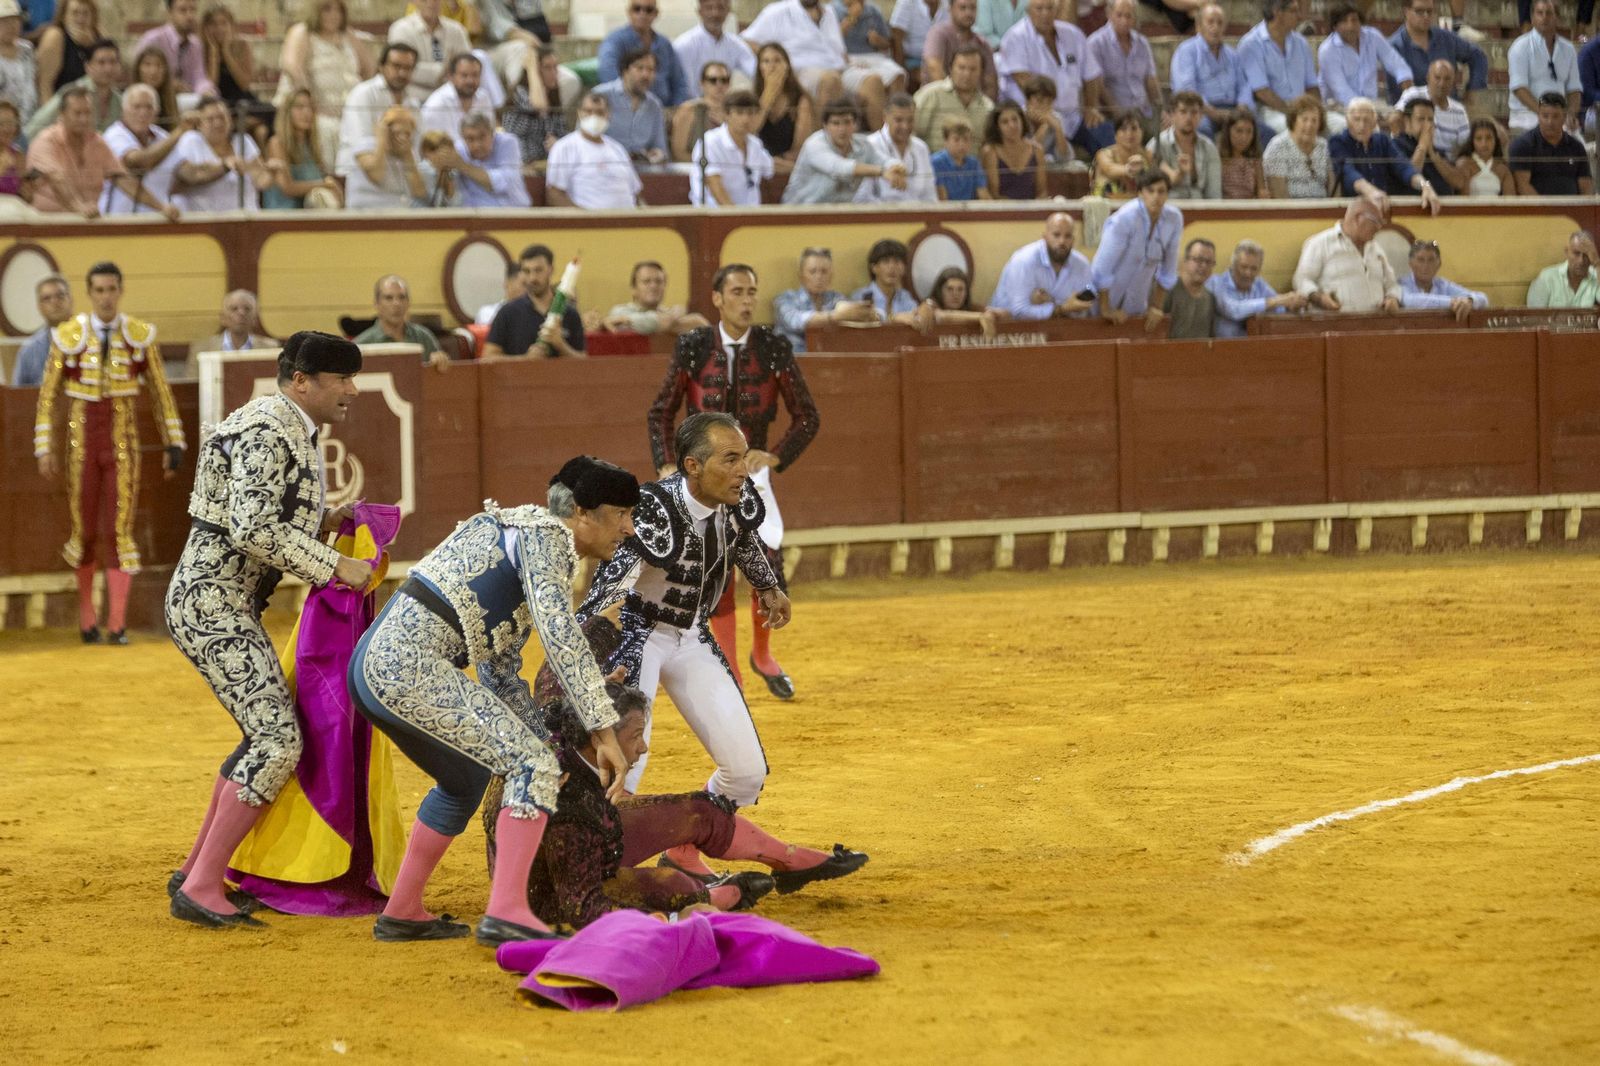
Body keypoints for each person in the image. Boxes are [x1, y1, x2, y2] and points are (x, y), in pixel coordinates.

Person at [347, 460, 637, 944]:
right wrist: (601, 730)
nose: (629, 528)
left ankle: (402, 911)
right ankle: (507, 912)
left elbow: (499, 670)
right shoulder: (546, 537)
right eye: (622, 514)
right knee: (532, 766)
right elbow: (560, 636)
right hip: (406, 665)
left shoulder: (520, 535)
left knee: (468, 779)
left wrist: (545, 739)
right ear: (583, 512)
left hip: (376, 667)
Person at [164, 331, 369, 929]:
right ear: (302, 380)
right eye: (342, 379)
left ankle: (196, 869)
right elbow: (251, 531)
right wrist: (335, 565)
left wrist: (325, 521)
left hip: (224, 603)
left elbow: (262, 516)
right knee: (277, 741)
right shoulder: (267, 430)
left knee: (265, 732)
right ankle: (202, 886)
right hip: (212, 605)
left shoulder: (282, 424)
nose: (352, 391)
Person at [579, 411, 805, 846]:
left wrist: (767, 585)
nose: (743, 470)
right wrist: (591, 649)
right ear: (693, 466)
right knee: (625, 764)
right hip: (636, 636)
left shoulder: (738, 500)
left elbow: (741, 540)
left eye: (743, 458)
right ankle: (598, 858)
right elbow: (607, 590)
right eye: (729, 459)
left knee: (745, 773)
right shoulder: (652, 510)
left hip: (692, 636)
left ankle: (685, 847)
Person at [508, 650, 855, 928]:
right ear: (602, 736)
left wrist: (599, 691)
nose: (643, 748)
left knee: (699, 812)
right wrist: (667, 921)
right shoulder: (567, 797)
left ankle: (782, 859)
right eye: (634, 737)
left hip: (593, 842)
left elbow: (553, 685)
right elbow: (577, 905)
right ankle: (712, 895)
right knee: (676, 887)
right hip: (555, 889)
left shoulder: (560, 726)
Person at [640, 271, 819, 707]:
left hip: (750, 477)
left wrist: (774, 455)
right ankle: (733, 673)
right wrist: (666, 462)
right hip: (702, 480)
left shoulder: (773, 346)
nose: (746, 300)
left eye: (752, 291)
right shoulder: (694, 345)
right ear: (718, 298)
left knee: (768, 562)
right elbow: (661, 411)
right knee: (716, 572)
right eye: (737, 292)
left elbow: (807, 416)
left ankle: (762, 654)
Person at [35, 262, 186, 645]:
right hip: (80, 445)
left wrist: (175, 441)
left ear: (120, 291)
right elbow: (48, 396)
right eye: (99, 290)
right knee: (84, 530)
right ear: (90, 293)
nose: (106, 297)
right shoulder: (68, 336)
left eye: (111, 289)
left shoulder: (138, 336)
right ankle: (88, 619)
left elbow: (160, 392)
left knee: (120, 531)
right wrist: (43, 447)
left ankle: (116, 624)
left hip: (122, 444)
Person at [742, 0, 901, 130]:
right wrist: (779, 60)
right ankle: (821, 145)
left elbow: (838, 49)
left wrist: (851, 63)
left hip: (839, 67)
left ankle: (882, 146)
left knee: (873, 81)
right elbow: (746, 41)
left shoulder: (829, 12)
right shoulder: (778, 11)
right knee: (830, 80)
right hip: (802, 71)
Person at [26, 87, 179, 217]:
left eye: (87, 113)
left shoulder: (96, 141)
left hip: (87, 222)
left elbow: (122, 179)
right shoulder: (45, 141)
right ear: (62, 115)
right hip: (47, 224)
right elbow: (57, 178)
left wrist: (161, 208)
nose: (84, 119)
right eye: (78, 113)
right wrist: (79, 207)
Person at [276, 0, 374, 169]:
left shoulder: (348, 35)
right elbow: (292, 67)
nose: (334, 15)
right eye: (327, 9)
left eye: (339, 10)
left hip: (346, 111)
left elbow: (370, 68)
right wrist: (312, 104)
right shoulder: (302, 32)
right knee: (325, 127)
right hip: (315, 110)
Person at [997, 0, 1099, 152]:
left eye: (1050, 8)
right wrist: (1051, 117)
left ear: (1057, 9)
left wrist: (1091, 107)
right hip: (1036, 117)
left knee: (1103, 132)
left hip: (1074, 117)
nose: (1045, 13)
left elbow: (1092, 75)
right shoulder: (1015, 37)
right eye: (1039, 8)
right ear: (1029, 11)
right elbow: (1027, 84)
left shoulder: (1073, 34)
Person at [1091, 168, 1182, 326]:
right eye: (1150, 191)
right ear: (1140, 193)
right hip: (1103, 301)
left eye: (1161, 191)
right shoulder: (1124, 218)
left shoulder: (1174, 219)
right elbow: (1102, 267)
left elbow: (1168, 269)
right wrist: (1105, 309)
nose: (1156, 197)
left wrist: (1157, 307)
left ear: (1168, 194)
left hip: (1137, 304)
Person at [781, 98, 905, 203]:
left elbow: (885, 161)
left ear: (855, 124)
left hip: (839, 215)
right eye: (836, 123)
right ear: (825, 126)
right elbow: (839, 167)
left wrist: (897, 168)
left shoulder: (862, 145)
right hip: (799, 213)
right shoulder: (814, 144)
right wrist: (883, 172)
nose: (842, 129)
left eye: (847, 122)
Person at [1291, 197, 1401, 314]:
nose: (1379, 228)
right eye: (1376, 222)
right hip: (1334, 323)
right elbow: (1301, 280)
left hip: (1375, 323)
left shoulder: (1376, 248)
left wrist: (1392, 298)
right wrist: (1319, 298)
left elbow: (1392, 284)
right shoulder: (1321, 243)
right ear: (1358, 218)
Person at [101, 83, 192, 217]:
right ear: (124, 110)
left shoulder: (163, 137)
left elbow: (187, 172)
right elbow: (139, 162)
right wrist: (180, 131)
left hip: (159, 220)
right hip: (119, 221)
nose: (143, 112)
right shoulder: (114, 135)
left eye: (149, 107)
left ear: (157, 112)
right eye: (136, 107)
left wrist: (224, 165)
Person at [171, 95, 274, 212]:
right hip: (208, 221)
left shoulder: (243, 140)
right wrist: (224, 166)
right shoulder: (191, 140)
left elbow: (260, 180)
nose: (217, 123)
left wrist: (270, 173)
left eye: (222, 117)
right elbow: (190, 175)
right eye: (210, 119)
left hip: (246, 217)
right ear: (199, 124)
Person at [1238, 0, 1325, 137]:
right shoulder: (1251, 44)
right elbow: (1262, 92)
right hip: (1270, 111)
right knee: (1296, 130)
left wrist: (1315, 111)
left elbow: (1312, 86)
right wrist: (1293, 113)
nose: (1300, 16)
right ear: (1277, 12)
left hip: (1302, 109)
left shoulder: (1301, 43)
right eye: (1294, 11)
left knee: (1334, 127)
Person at [988, 211, 1095, 320]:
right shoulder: (1024, 260)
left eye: (1067, 236)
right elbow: (1019, 311)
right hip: (1008, 330)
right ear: (1045, 237)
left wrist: (1053, 304)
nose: (1062, 241)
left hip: (1060, 328)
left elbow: (1086, 310)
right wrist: (1062, 308)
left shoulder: (1082, 264)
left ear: (1073, 240)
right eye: (1056, 235)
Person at [485, 244, 586, 358]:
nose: (532, 278)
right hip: (521, 376)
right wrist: (525, 359)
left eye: (538, 270)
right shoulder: (508, 312)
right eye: (527, 271)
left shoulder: (570, 313)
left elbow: (583, 362)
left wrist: (561, 345)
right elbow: (488, 357)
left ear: (551, 270)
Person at [334, 42, 417, 180]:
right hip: (356, 175)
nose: (402, 73)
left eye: (408, 68)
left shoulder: (413, 104)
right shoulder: (363, 94)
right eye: (396, 66)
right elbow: (362, 147)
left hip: (396, 179)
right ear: (382, 66)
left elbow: (417, 150)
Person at [545, 93, 643, 209]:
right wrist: (586, 220)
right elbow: (554, 196)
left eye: (600, 112)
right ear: (579, 113)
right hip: (589, 224)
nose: (594, 116)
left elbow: (636, 193)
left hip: (630, 221)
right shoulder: (564, 147)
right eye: (588, 111)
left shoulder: (617, 149)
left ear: (608, 114)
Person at [1083, 0, 1160, 144]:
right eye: (1119, 15)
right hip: (1115, 113)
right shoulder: (1096, 43)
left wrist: (1161, 110)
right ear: (1109, 14)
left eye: (1129, 16)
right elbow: (1098, 85)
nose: (1124, 21)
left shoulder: (1142, 43)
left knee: (1169, 137)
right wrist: (1118, 113)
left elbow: (1151, 80)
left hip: (1144, 110)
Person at [1385, 0, 1486, 109]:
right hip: (1416, 113)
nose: (1426, 16)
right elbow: (1395, 94)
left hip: (1450, 110)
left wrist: (1472, 91)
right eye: (1419, 11)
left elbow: (1478, 56)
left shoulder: (1446, 38)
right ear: (1406, 11)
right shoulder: (1394, 47)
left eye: (1430, 11)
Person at [772, 247, 877, 351]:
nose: (819, 277)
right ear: (801, 275)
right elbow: (797, 322)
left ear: (831, 275)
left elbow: (845, 307)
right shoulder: (785, 299)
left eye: (824, 272)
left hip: (830, 362)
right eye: (812, 272)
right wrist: (836, 316)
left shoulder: (835, 298)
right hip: (794, 362)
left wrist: (864, 312)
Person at [1169, 3, 1250, 137]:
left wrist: (1242, 108)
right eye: (1210, 22)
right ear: (1199, 26)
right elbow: (1187, 90)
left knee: (1265, 132)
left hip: (1233, 110)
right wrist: (1211, 112)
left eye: (1220, 23)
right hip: (1201, 110)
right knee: (1202, 129)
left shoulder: (1232, 55)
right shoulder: (1187, 51)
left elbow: (1244, 85)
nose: (1215, 27)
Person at [1316, 2, 1411, 115]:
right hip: (1337, 108)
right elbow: (1341, 91)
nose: (1350, 26)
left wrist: (1407, 84)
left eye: (1354, 20)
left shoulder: (1373, 37)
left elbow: (1394, 61)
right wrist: (1368, 113)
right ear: (1335, 26)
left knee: (1398, 117)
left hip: (1372, 104)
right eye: (1344, 21)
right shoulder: (1327, 50)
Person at [24, 34, 118, 141]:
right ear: (88, 67)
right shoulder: (72, 92)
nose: (108, 69)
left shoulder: (120, 101)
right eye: (101, 63)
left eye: (113, 62)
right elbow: (35, 128)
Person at [1205, 238, 1307, 337]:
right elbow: (1232, 310)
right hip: (1223, 349)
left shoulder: (1259, 284)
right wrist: (1275, 301)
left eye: (1254, 269)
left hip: (1256, 347)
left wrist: (1291, 305)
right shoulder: (1216, 282)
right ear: (1233, 265)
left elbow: (1278, 307)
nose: (1248, 273)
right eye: (1244, 267)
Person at [598, 0, 690, 108]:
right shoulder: (615, 41)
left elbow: (679, 82)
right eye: (637, 9)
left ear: (656, 13)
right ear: (629, 12)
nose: (642, 14)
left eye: (648, 10)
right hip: (627, 108)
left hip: (664, 110)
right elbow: (608, 75)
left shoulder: (664, 44)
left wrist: (677, 109)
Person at [689, 88, 773, 206]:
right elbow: (715, 186)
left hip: (750, 216)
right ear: (726, 114)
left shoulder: (755, 144)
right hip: (715, 217)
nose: (746, 119)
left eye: (751, 113)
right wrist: (735, 218)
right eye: (739, 113)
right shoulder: (710, 142)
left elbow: (770, 168)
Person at [1507, 0, 1580, 133]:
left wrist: (1570, 114)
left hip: (1559, 117)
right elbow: (1519, 88)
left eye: (1549, 13)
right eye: (1540, 13)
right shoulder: (1520, 47)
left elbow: (1574, 89)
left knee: (1579, 144)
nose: (1544, 18)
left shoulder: (1568, 49)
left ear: (1557, 18)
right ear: (1532, 18)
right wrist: (1544, 114)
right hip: (1525, 117)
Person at [263, 86, 343, 208]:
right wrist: (323, 184)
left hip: (310, 214)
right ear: (287, 112)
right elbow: (287, 187)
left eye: (310, 107)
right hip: (283, 215)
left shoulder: (312, 145)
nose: (307, 113)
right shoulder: (277, 143)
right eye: (299, 107)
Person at [502, 43, 577, 164]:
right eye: (547, 68)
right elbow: (538, 106)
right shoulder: (519, 93)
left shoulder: (553, 96)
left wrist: (558, 142)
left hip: (546, 164)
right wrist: (532, 70)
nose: (554, 73)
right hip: (522, 163)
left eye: (555, 67)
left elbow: (562, 131)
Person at [353, 274, 448, 369]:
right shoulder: (362, 345)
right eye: (389, 298)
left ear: (408, 302)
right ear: (376, 304)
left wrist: (440, 361)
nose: (396, 303)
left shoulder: (423, 337)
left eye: (402, 297)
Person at [438, 109, 529, 207]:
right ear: (463, 138)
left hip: (513, 214)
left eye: (482, 137)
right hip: (473, 216)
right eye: (470, 139)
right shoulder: (458, 149)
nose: (477, 145)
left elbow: (503, 183)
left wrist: (462, 165)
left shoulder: (507, 142)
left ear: (492, 134)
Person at [1508, 93, 1593, 197]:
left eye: (1556, 116)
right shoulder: (1523, 145)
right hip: (1538, 210)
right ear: (1538, 116)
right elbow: (1522, 186)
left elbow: (1586, 186)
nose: (1550, 122)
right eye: (1545, 116)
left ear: (1565, 117)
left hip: (1573, 208)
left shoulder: (1576, 147)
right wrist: (1547, 210)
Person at [201, 4, 268, 133]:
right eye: (213, 24)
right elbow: (211, 87)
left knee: (265, 123)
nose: (219, 28)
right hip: (218, 102)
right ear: (205, 27)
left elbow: (244, 84)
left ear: (231, 25)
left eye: (223, 23)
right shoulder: (201, 48)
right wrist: (214, 54)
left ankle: (237, 125)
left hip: (242, 100)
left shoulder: (242, 45)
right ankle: (233, 124)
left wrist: (227, 52)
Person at [913, 43, 992, 151]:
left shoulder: (988, 106)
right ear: (951, 68)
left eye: (973, 69)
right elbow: (911, 133)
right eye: (961, 68)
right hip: (931, 165)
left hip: (972, 167)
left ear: (981, 72)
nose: (967, 74)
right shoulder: (931, 94)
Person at [594, 48, 668, 162]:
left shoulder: (654, 105)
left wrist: (657, 154)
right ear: (625, 70)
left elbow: (660, 147)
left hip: (642, 169)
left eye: (651, 70)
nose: (645, 75)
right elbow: (584, 140)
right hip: (604, 165)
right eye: (639, 68)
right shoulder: (601, 95)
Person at [857, 92, 934, 200]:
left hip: (918, 214)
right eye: (899, 120)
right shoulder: (870, 145)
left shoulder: (921, 147)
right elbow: (863, 197)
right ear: (885, 117)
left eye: (910, 120)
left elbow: (930, 194)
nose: (905, 126)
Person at [387, 0, 471, 99]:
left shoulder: (456, 30)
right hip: (415, 99)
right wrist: (443, 70)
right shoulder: (401, 29)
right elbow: (402, 70)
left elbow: (468, 66)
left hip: (452, 99)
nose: (431, 3)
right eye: (424, 0)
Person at [601, 260, 710, 335]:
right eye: (646, 282)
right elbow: (664, 322)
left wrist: (629, 321)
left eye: (658, 281)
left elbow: (701, 324)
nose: (653, 286)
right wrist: (671, 320)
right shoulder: (619, 312)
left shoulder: (669, 312)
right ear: (633, 289)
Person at [1145, 91, 1219, 201]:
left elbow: (1214, 193)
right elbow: (1153, 187)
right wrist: (1181, 172)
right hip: (1167, 206)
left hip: (1201, 208)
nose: (1189, 118)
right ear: (1172, 115)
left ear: (1201, 116)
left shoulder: (1209, 147)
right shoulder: (1156, 144)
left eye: (1194, 112)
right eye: (1183, 112)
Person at [751, 43, 813, 172]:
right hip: (760, 163)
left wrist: (780, 159)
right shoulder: (753, 98)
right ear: (759, 68)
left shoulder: (800, 100)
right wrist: (768, 94)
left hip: (790, 163)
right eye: (766, 61)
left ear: (787, 67)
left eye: (777, 60)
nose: (772, 66)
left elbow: (801, 145)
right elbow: (750, 130)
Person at [674, 0, 756, 92]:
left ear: (728, 11)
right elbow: (681, 86)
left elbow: (755, 71)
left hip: (724, 102)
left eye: (720, 8)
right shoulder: (684, 45)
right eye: (709, 8)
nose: (715, 13)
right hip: (693, 104)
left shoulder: (736, 44)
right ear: (700, 12)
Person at [135, 0, 213, 97]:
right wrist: (167, 83)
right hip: (156, 98)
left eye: (193, 10)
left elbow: (199, 78)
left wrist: (206, 91)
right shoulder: (153, 39)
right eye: (183, 10)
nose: (189, 16)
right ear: (169, 13)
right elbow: (137, 75)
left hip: (187, 101)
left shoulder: (196, 44)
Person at [1262, 93, 1332, 198]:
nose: (1309, 125)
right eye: (1304, 119)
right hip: (1291, 210)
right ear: (1294, 120)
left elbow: (1333, 185)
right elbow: (1279, 195)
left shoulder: (1323, 146)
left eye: (1314, 120)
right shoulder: (1278, 147)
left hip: (1323, 209)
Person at [188, 289, 274, 376]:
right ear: (223, 318)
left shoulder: (270, 348)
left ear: (255, 319)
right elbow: (192, 385)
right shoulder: (202, 349)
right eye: (234, 309)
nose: (241, 313)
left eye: (247, 309)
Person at [921, 0, 997, 98]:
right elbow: (934, 69)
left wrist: (984, 108)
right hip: (938, 99)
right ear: (950, 9)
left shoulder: (982, 44)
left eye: (973, 8)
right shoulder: (938, 34)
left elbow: (991, 83)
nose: (968, 13)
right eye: (962, 8)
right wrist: (955, 101)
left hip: (974, 105)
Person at [1394, 59, 1468, 157]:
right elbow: (1395, 120)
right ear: (1428, 77)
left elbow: (1464, 146)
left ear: (1453, 81)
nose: (1442, 84)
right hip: (1410, 157)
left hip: (1445, 164)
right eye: (1437, 78)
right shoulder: (1412, 95)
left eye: (1447, 79)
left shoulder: (1459, 110)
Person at [1398, 239, 1485, 321]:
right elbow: (1409, 301)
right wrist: (1452, 303)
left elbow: (1483, 298)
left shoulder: (1443, 284)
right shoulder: (1402, 283)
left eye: (1431, 260)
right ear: (1411, 264)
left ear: (1439, 264)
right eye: (1420, 260)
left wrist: (1470, 301)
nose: (1426, 266)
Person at [9, 273, 71, 387]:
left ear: (71, 300)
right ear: (39, 307)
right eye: (47, 298)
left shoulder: (91, 342)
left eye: (60, 296)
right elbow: (16, 398)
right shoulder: (29, 351)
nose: (55, 302)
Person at [1392, 96, 1458, 198]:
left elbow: (1457, 183)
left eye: (1430, 119)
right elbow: (1410, 174)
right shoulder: (1396, 145)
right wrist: (1423, 145)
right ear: (1407, 121)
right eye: (1421, 119)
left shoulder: (1438, 151)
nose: (1427, 124)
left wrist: (1432, 153)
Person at [34, 0, 99, 102]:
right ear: (64, 16)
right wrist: (52, 116)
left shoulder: (96, 38)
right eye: (75, 13)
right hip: (60, 107)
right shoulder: (55, 36)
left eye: (85, 13)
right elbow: (44, 85)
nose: (80, 19)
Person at [419, 52, 493, 139]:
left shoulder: (484, 98)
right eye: (464, 76)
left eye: (475, 75)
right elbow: (432, 146)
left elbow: (489, 136)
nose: (470, 81)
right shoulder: (437, 105)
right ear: (450, 76)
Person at [980, 98, 1042, 199]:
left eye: (1015, 119)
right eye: (1005, 122)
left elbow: (1042, 192)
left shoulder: (1037, 150)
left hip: (1032, 209)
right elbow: (994, 195)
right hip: (1003, 210)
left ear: (1022, 120)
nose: (1012, 125)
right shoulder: (990, 152)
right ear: (997, 127)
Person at [672, 60, 730, 163]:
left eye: (724, 80)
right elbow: (678, 152)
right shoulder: (688, 110)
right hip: (694, 169)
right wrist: (707, 166)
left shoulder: (734, 112)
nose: (719, 85)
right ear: (702, 83)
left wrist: (726, 125)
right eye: (713, 80)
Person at [1525, 231, 1600, 308]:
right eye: (1576, 253)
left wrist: (1597, 263)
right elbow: (1533, 315)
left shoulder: (1596, 276)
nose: (1581, 260)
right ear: (1567, 252)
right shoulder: (1547, 277)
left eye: (1586, 255)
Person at [852, 239, 920, 322]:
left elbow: (916, 317)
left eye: (897, 261)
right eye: (886, 261)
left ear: (904, 268)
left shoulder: (904, 296)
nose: (892, 267)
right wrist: (893, 318)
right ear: (874, 267)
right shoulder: (861, 296)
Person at [1162, 238, 1217, 340]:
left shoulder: (1210, 298)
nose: (1204, 266)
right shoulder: (1167, 290)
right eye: (1199, 260)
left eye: (1209, 262)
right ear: (1185, 261)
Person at [1449, 116, 1514, 197]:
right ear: (1472, 141)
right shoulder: (1465, 164)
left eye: (1489, 138)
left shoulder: (1503, 169)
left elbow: (1511, 202)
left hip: (1496, 209)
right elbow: (1464, 200)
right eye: (1479, 138)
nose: (1484, 144)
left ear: (1495, 141)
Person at [922, 265, 998, 333]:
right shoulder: (930, 305)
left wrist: (990, 314)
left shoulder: (971, 307)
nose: (955, 294)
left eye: (960, 289)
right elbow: (941, 316)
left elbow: (1004, 314)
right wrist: (979, 317)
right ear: (940, 291)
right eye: (950, 289)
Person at [1091, 110, 1147, 198]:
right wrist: (1129, 169)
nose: (1129, 134)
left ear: (1142, 132)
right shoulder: (1104, 154)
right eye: (1123, 129)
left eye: (1134, 128)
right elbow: (1109, 169)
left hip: (1138, 208)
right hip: (1106, 208)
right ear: (1116, 134)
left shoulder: (1147, 155)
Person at [0, 0, 38, 126]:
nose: (11, 26)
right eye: (4, 21)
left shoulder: (27, 49)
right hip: (6, 124)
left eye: (15, 20)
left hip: (32, 118)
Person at [888, 0, 945, 80]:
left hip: (943, 59)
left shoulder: (950, 3)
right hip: (913, 60)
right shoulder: (907, 2)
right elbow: (896, 37)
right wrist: (903, 71)